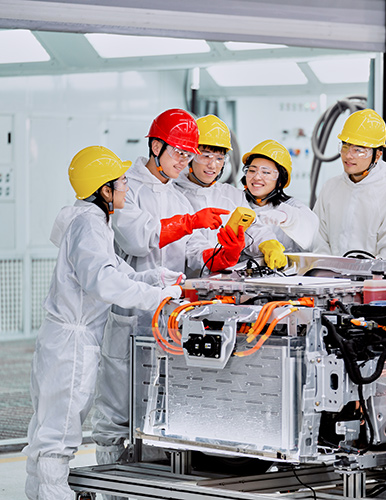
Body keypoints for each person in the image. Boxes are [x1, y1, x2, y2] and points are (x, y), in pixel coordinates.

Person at [22, 146, 183, 500]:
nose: (127, 186)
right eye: (121, 181)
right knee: (60, 428)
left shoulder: (93, 221)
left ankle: (39, 493)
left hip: (66, 339)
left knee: (48, 424)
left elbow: (116, 269)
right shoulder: (89, 226)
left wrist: (155, 278)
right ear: (104, 190)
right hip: (72, 343)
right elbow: (104, 282)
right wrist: (156, 298)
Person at [91, 109, 246, 472]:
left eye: (189, 155)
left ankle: (154, 482)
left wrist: (224, 252)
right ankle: (112, 487)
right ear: (156, 146)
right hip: (130, 317)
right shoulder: (125, 187)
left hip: (168, 320)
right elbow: (138, 238)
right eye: (179, 152)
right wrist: (189, 222)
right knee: (117, 407)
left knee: (162, 405)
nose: (184, 162)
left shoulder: (177, 197)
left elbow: (192, 255)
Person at [173, 115, 279, 270]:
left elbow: (252, 230)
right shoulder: (174, 194)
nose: (212, 165)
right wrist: (218, 258)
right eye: (206, 156)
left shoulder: (232, 195)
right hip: (186, 280)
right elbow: (189, 248)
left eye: (219, 158)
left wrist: (268, 243)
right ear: (190, 155)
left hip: (227, 279)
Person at [312, 109, 386, 259]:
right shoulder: (330, 189)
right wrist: (328, 269)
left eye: (358, 150)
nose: (348, 155)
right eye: (345, 146)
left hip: (371, 275)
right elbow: (317, 239)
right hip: (327, 274)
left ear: (377, 155)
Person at [241, 139, 318, 267]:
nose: (257, 177)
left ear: (280, 181)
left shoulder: (293, 206)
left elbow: (311, 234)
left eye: (266, 172)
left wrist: (288, 218)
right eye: (252, 170)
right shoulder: (236, 202)